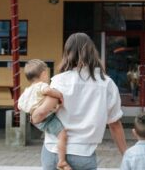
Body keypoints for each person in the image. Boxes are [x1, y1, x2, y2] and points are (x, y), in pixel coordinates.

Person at [31, 33, 127, 170]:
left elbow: (39, 115)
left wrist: (34, 117)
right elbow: (115, 124)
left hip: (54, 151)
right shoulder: (107, 84)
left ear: (67, 54)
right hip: (84, 154)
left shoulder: (59, 81)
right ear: (93, 53)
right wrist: (126, 155)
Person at [18, 59, 71, 170]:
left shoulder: (27, 90)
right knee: (62, 135)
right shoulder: (41, 85)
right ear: (43, 74)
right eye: (47, 73)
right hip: (47, 118)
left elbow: (19, 105)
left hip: (36, 121)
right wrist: (59, 94)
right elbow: (48, 91)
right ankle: (61, 161)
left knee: (52, 128)